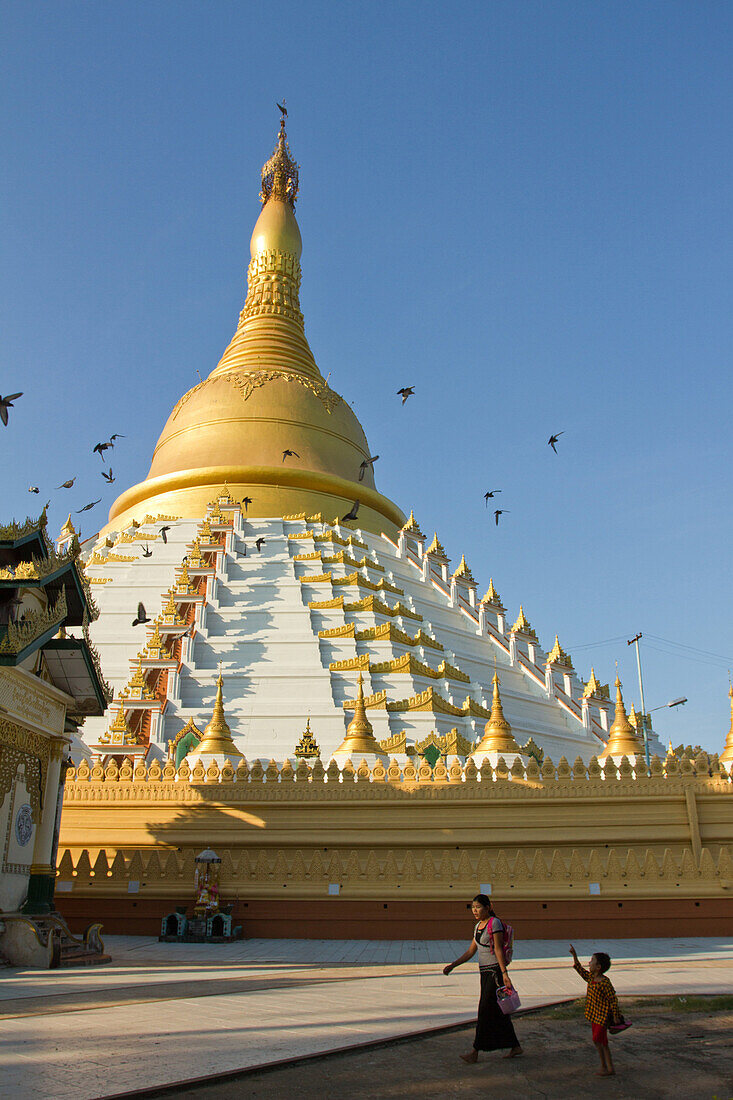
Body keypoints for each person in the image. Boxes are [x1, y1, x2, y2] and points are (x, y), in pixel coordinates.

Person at [443, 894, 522, 1062]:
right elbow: (471, 951)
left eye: (478, 907)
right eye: (473, 907)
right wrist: (453, 965)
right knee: (499, 1011)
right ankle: (515, 1046)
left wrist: (504, 974)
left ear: (488, 907)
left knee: (484, 1010)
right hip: (484, 973)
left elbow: (499, 949)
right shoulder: (478, 926)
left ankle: (475, 1051)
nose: (475, 911)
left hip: (494, 973)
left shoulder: (495, 924)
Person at [569, 944, 620, 1077]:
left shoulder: (604, 983)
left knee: (600, 1041)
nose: (589, 963)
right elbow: (580, 970)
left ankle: (607, 1067)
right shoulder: (591, 978)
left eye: (592, 961)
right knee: (599, 1042)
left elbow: (613, 1000)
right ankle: (607, 1066)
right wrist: (574, 956)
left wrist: (615, 1016)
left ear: (598, 967)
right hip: (594, 1016)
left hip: (602, 1017)